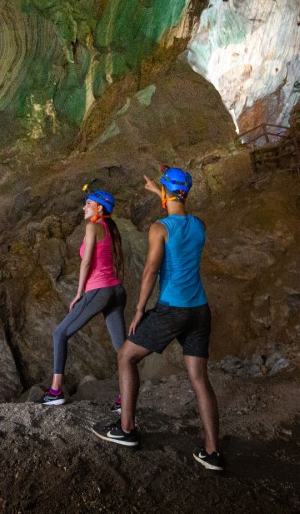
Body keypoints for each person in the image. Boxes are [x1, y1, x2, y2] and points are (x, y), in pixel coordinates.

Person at [91, 167, 225, 472]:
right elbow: (178, 205)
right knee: (200, 379)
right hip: (200, 310)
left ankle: (126, 430)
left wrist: (139, 310)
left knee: (126, 356)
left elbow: (151, 270)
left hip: (173, 309)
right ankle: (212, 453)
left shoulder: (159, 228)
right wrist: (160, 189)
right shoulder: (199, 226)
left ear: (165, 194)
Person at [41, 183, 127, 407]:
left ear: (99, 208)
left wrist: (79, 293)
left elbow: (87, 262)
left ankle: (55, 391)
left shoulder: (93, 227)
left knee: (60, 333)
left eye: (88, 204)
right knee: (123, 349)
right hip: (117, 290)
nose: (83, 207)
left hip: (99, 290)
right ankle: (125, 398)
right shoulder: (110, 228)